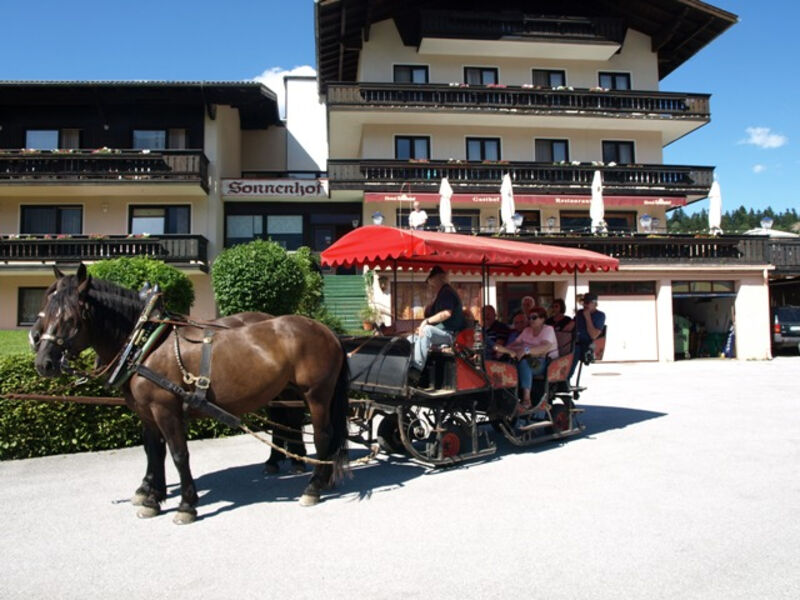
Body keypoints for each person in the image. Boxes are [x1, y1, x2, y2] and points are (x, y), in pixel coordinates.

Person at [408, 265, 465, 385]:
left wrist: (425, 322)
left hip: (450, 334)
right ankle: (406, 367)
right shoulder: (441, 294)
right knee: (411, 338)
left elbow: (446, 313)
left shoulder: (447, 292)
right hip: (441, 333)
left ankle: (416, 371)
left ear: (438, 278)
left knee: (427, 330)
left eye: (431, 281)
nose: (430, 285)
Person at [494, 306, 557, 412]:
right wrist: (504, 350)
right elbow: (515, 343)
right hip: (528, 359)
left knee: (524, 364)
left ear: (542, 319)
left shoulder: (548, 329)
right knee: (507, 364)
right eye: (529, 318)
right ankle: (507, 397)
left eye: (534, 317)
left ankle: (526, 399)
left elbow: (544, 348)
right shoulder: (527, 330)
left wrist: (526, 350)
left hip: (544, 362)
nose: (530, 320)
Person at [570, 292, 606, 380]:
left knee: (573, 351)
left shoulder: (600, 315)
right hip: (574, 341)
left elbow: (593, 335)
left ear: (595, 303)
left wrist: (587, 317)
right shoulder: (579, 313)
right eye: (584, 303)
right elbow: (571, 325)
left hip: (588, 344)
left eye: (588, 303)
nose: (585, 305)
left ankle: (566, 378)